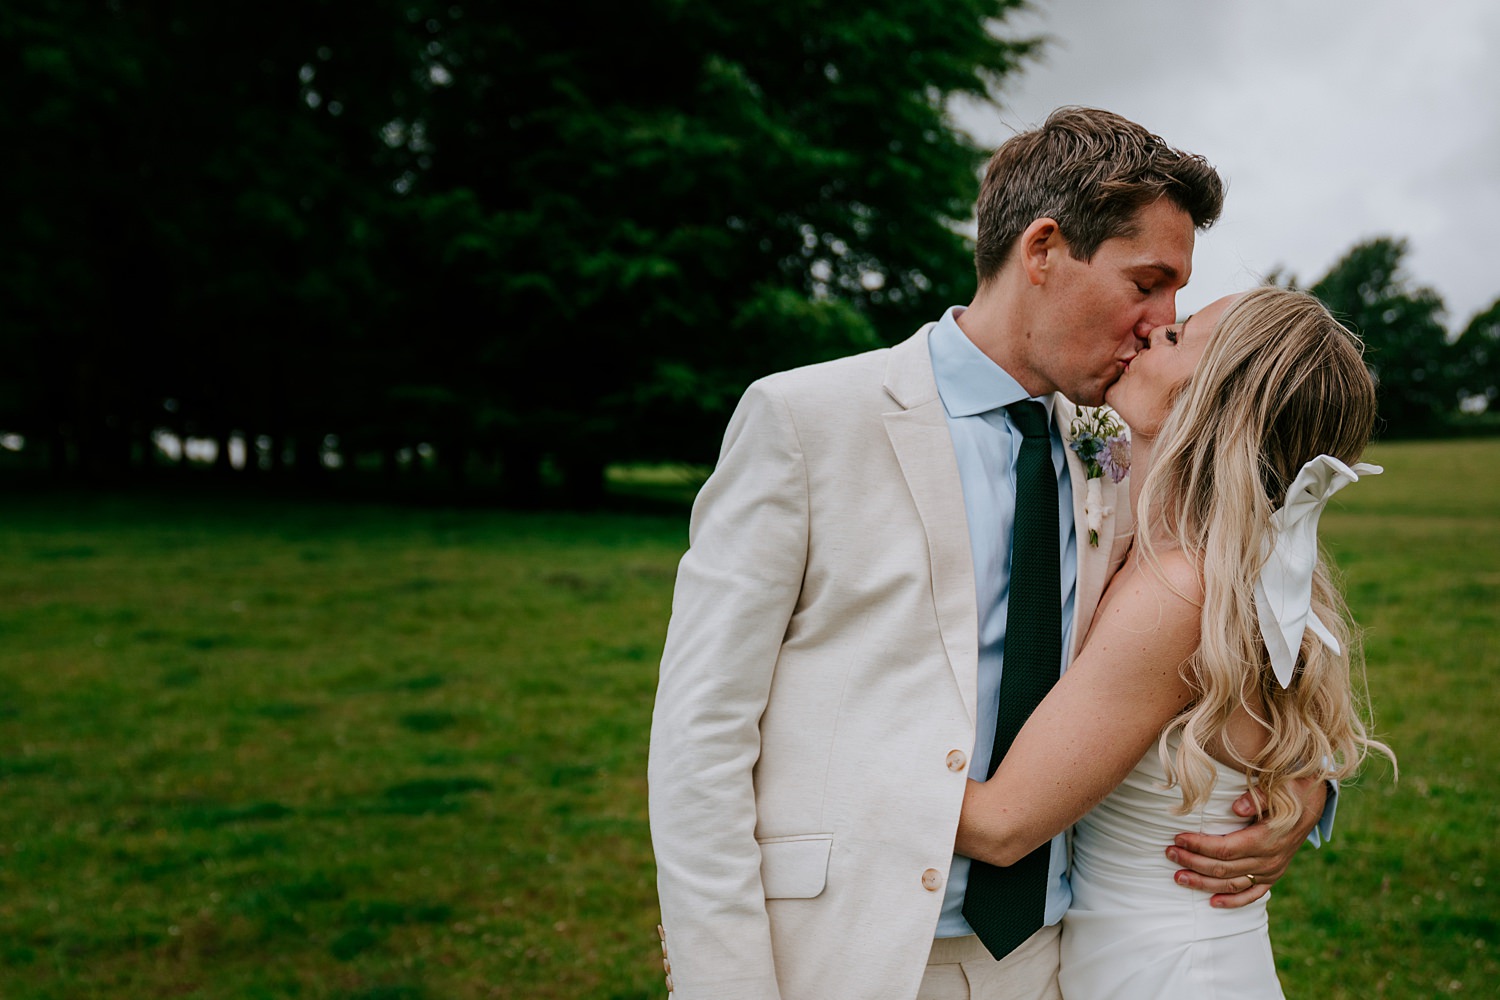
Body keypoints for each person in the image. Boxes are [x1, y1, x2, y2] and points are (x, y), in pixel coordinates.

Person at [647, 107, 1332, 1000]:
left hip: (1050, 959)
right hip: (841, 953)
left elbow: (1251, 606)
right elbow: (699, 736)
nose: (1162, 323)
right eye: (1148, 283)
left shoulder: (1125, 449)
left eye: (1177, 297)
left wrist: (1306, 794)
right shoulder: (807, 421)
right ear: (1044, 249)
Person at [955, 286, 1394, 998]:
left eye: (1180, 334)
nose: (1155, 328)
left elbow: (1005, 824)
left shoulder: (1181, 592)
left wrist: (811, 762)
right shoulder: (1203, 550)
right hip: (1128, 957)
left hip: (1166, 970)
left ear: (1212, 400)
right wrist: (1307, 788)